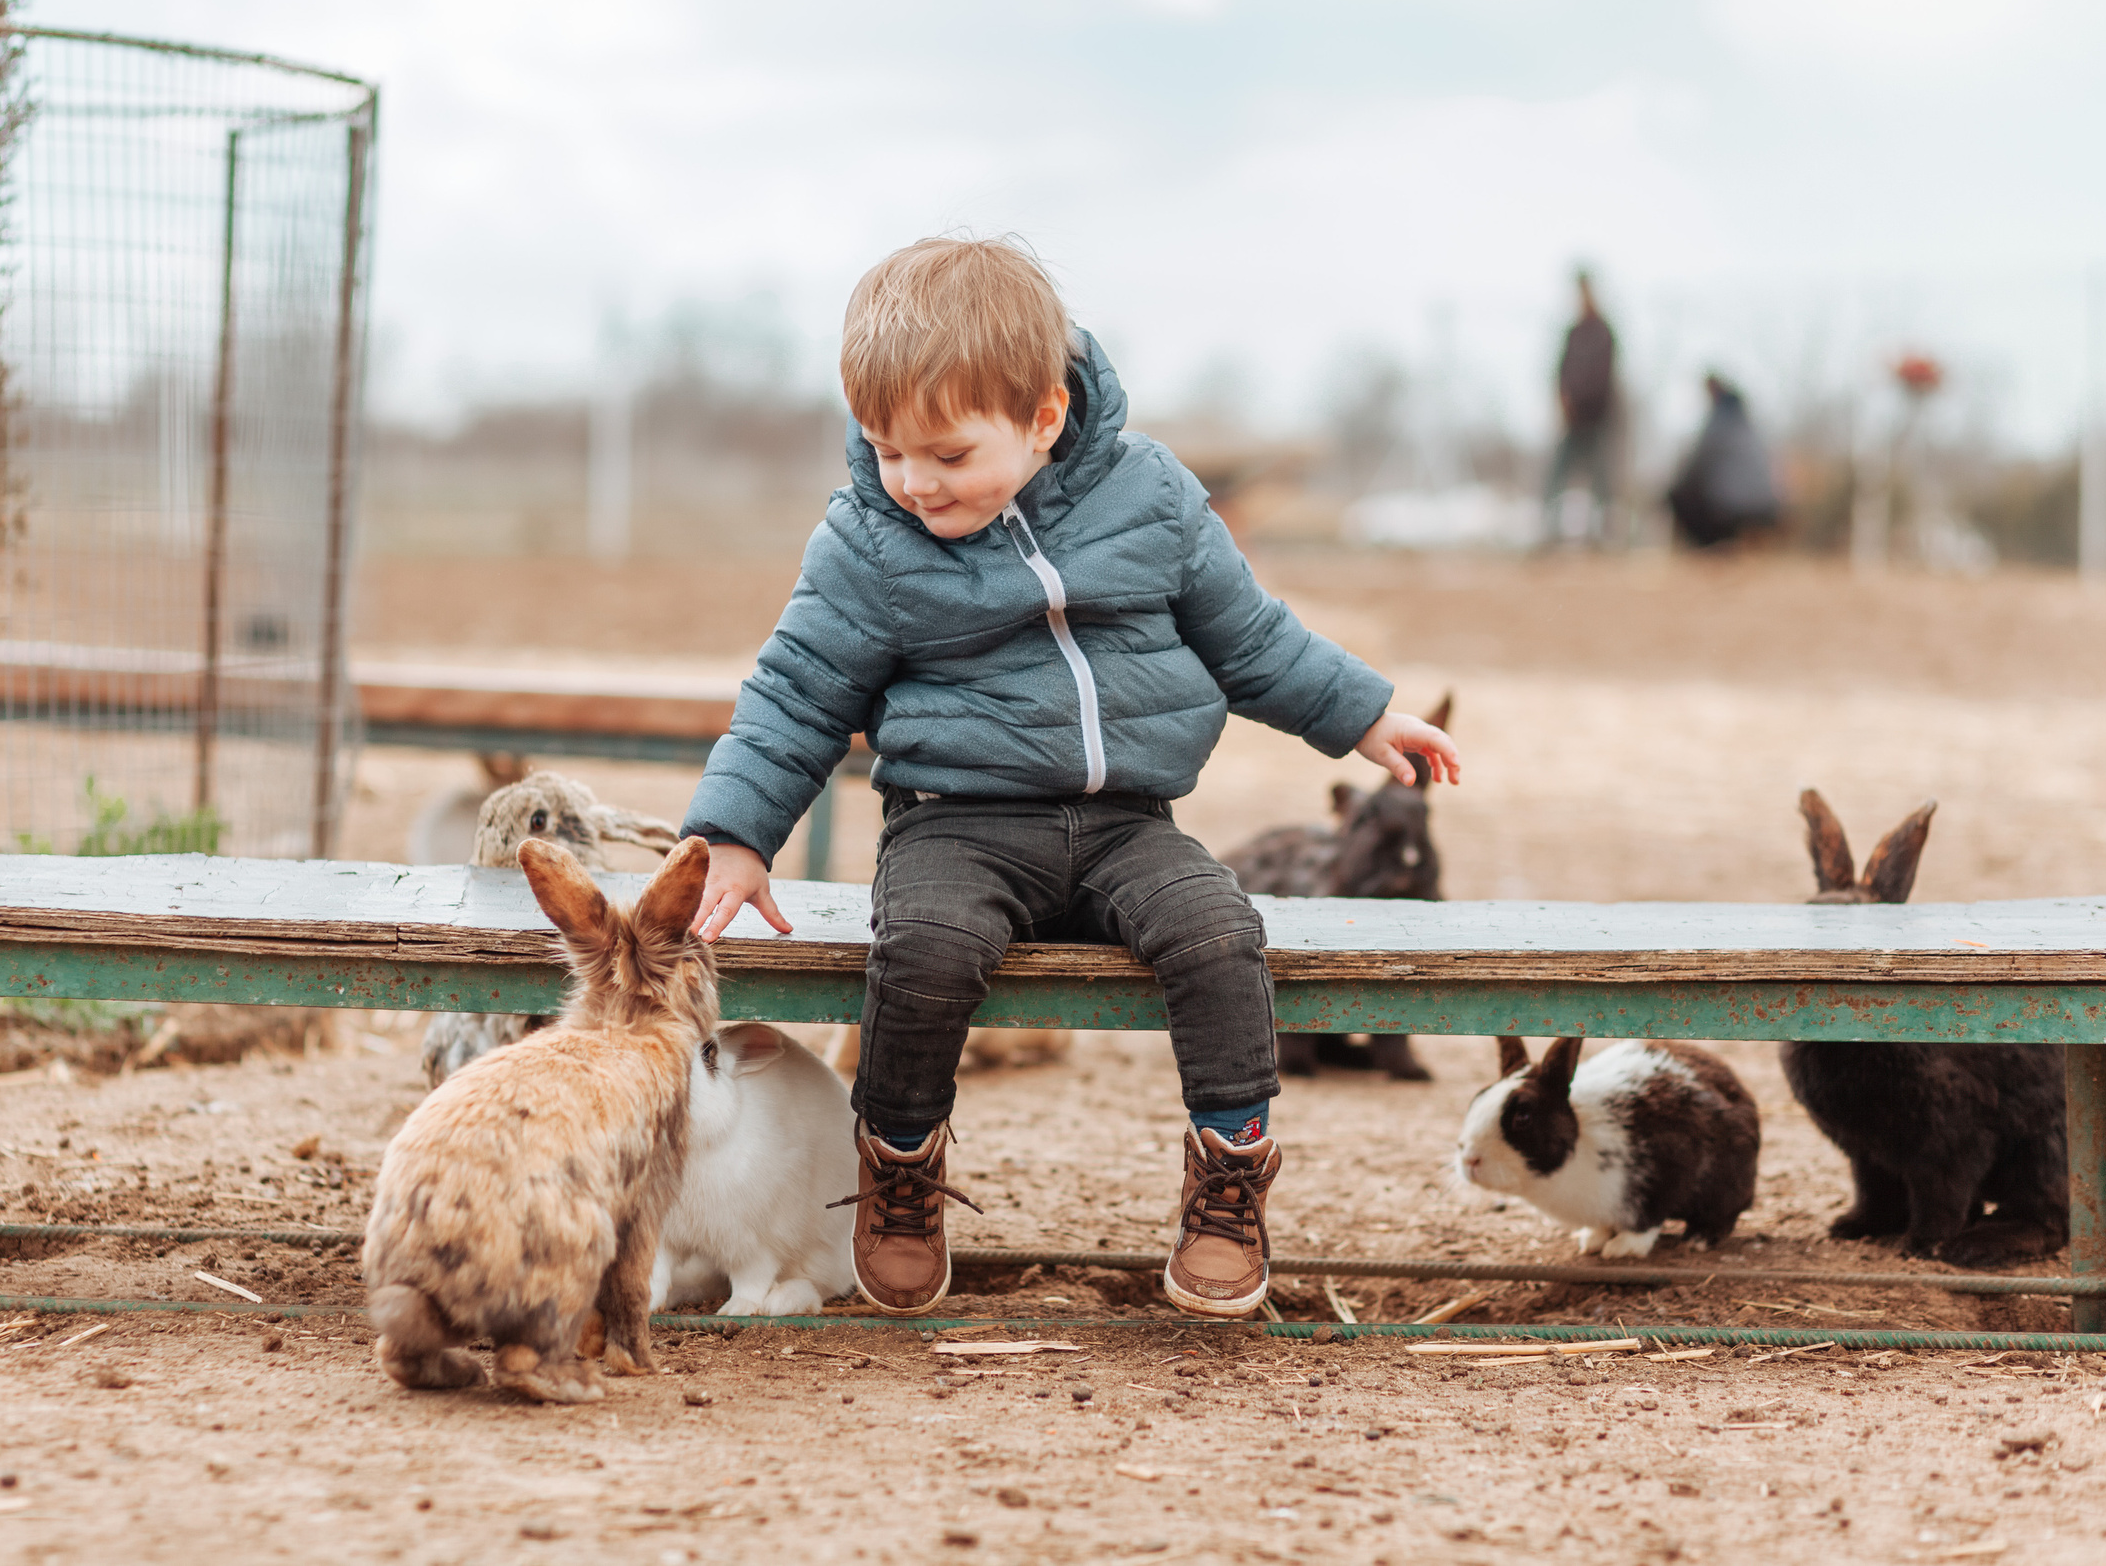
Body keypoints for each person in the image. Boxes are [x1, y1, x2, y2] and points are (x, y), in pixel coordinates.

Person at [679, 237, 1459, 1319]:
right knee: (925, 950)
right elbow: (799, 690)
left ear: (1044, 417)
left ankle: (1228, 1181)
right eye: (886, 450)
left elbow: (1249, 638)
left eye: (947, 455)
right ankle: (899, 1167)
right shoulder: (868, 540)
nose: (914, 482)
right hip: (955, 824)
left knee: (1220, 935)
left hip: (1128, 824)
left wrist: (1364, 714)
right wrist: (736, 830)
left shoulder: (1149, 495)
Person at [1544, 270, 1619, 545]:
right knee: (1556, 476)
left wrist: (1590, 406)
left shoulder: (1603, 332)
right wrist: (1564, 403)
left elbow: (1604, 377)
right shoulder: (1573, 334)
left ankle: (1603, 535)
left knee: (1601, 481)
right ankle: (1549, 531)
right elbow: (1560, 371)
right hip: (1572, 420)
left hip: (1596, 420)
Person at [1666, 373, 1782, 549]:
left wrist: (1673, 489)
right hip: (1766, 506)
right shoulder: (1750, 423)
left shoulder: (1719, 422)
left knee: (1676, 496)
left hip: (1731, 510)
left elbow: (1695, 466)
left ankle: (1706, 548)